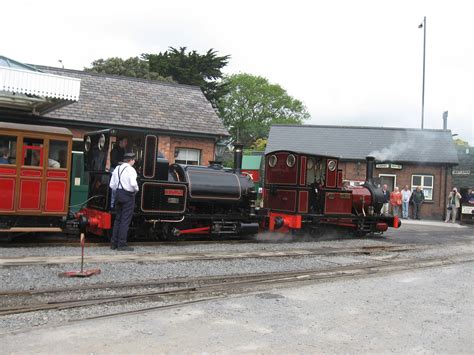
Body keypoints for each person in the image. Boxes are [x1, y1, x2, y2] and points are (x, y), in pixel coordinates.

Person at [109, 152, 138, 251]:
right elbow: (133, 184)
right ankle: (122, 244)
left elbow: (112, 185)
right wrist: (136, 190)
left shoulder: (117, 169)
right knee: (125, 220)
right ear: (131, 160)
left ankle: (114, 243)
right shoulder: (131, 170)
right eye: (134, 160)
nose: (134, 162)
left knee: (118, 219)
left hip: (118, 194)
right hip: (128, 195)